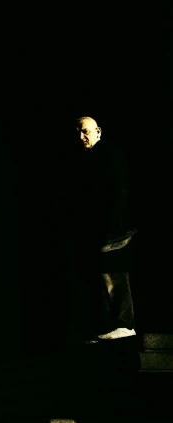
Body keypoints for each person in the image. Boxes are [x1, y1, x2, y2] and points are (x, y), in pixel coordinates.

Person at [64, 116, 137, 341]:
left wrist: (112, 222)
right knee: (101, 274)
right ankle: (110, 325)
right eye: (78, 132)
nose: (81, 137)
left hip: (113, 226)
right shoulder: (89, 158)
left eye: (85, 131)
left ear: (98, 131)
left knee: (112, 272)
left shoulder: (108, 154)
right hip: (101, 227)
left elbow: (116, 190)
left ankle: (124, 323)